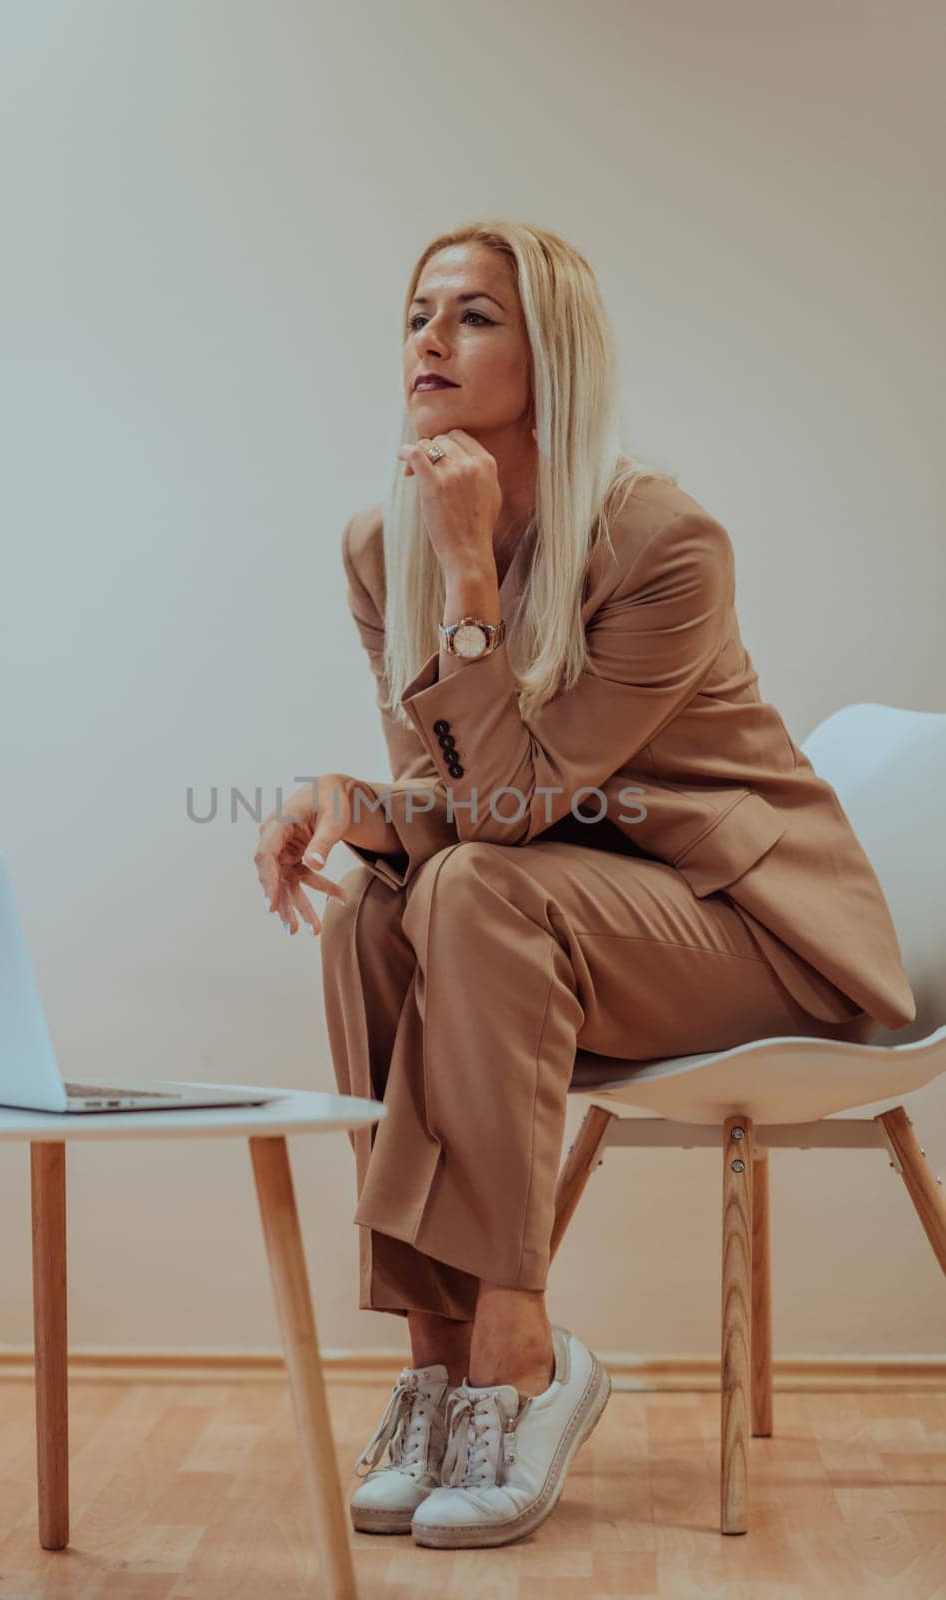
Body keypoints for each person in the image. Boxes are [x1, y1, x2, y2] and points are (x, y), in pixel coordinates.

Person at [252, 220, 915, 1550]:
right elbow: (452, 814)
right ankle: (438, 1361)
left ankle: (522, 1349)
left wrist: (474, 573)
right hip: (548, 925)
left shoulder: (665, 541)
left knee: (476, 890)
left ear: (551, 353)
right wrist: (359, 805)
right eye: (417, 312)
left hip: (747, 932)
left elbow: (506, 811)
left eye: (475, 315)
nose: (429, 340)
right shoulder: (383, 547)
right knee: (381, 901)